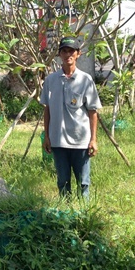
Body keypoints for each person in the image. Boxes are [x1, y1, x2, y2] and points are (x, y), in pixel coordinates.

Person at [40, 37, 102, 200]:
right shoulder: (50, 80)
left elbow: (92, 111)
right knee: (63, 182)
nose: (68, 54)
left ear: (78, 54)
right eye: (64, 51)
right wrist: (47, 136)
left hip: (80, 141)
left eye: (71, 51)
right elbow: (47, 110)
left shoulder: (85, 80)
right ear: (59, 54)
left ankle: (84, 215)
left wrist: (93, 139)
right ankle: (65, 216)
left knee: (83, 183)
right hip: (58, 141)